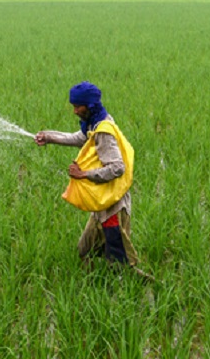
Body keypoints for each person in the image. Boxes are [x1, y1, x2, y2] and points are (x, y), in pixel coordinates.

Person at [35, 82, 152, 280]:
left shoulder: (103, 131)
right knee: (84, 249)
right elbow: (79, 138)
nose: (74, 111)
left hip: (113, 207)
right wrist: (49, 137)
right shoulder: (95, 123)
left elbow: (117, 167)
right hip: (101, 202)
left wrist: (84, 174)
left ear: (89, 106)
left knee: (119, 261)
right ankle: (92, 284)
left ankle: (142, 287)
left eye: (77, 107)